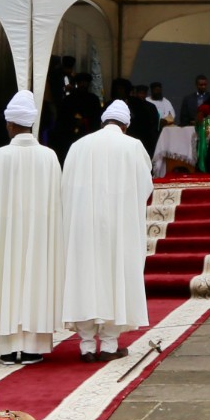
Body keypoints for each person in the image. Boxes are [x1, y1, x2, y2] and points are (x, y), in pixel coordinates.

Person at [0, 91, 65, 363]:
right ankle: (33, 346)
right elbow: (57, 203)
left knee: (5, 279)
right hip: (38, 235)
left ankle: (8, 347)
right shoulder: (49, 157)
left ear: (9, 125)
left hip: (5, 236)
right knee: (36, 280)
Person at [61, 100, 154, 362]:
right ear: (125, 125)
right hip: (118, 227)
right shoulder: (133, 146)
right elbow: (146, 187)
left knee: (85, 276)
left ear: (103, 122)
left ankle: (87, 345)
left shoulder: (78, 146)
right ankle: (111, 345)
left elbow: (65, 186)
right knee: (116, 276)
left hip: (83, 227)